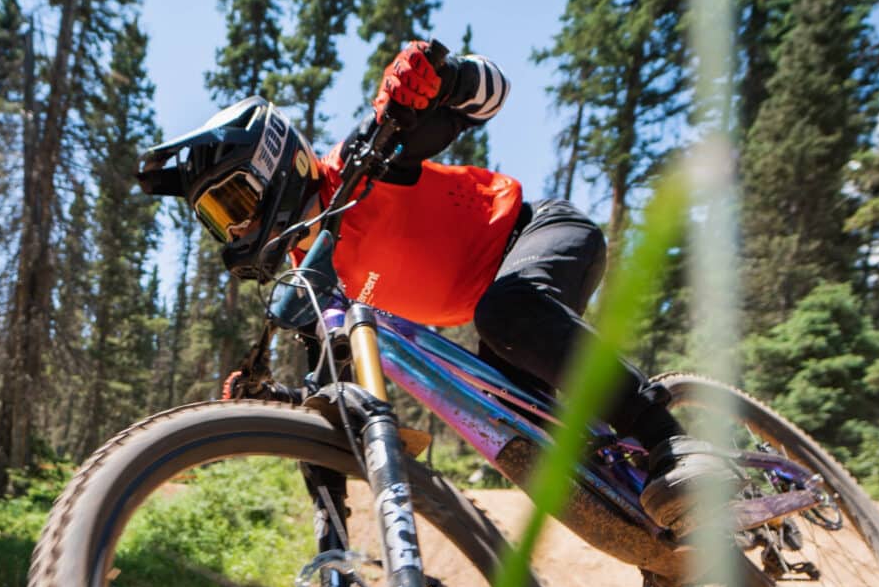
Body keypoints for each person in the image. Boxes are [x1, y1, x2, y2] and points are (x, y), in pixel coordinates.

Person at [135, 38, 730, 537]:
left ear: (273, 164)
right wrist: (327, 536)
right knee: (521, 437)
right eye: (216, 219)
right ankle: (660, 539)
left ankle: (669, 441)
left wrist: (440, 78)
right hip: (501, 311)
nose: (234, 228)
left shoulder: (361, 164)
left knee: (510, 311)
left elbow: (490, 93)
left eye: (231, 202)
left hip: (540, 231)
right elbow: (330, 406)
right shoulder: (320, 281)